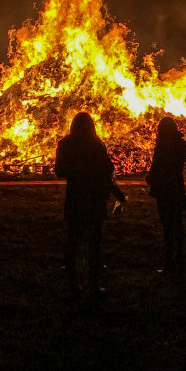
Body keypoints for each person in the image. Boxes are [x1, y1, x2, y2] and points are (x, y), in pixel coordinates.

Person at [54, 112, 126, 299]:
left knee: (73, 242)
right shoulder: (96, 145)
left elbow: (59, 170)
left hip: (76, 199)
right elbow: (107, 173)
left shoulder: (65, 144)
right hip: (94, 200)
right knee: (94, 243)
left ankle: (72, 284)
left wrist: (76, 170)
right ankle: (93, 285)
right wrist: (119, 195)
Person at [146, 117, 186, 279]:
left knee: (167, 225)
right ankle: (180, 257)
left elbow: (157, 166)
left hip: (164, 189)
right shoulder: (181, 143)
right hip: (177, 187)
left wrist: (150, 179)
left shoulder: (163, 144)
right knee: (177, 222)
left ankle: (170, 261)